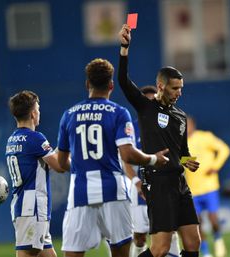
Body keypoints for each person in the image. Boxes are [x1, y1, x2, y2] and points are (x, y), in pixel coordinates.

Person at [57, 58, 170, 257]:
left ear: (87, 84)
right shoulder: (118, 112)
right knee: (120, 252)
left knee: (73, 253)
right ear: (111, 85)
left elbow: (60, 162)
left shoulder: (69, 115)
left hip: (80, 191)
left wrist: (82, 169)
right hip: (113, 190)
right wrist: (153, 159)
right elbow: (127, 153)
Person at [118, 24, 201, 257]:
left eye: (181, 88)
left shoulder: (180, 116)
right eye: (175, 88)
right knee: (160, 249)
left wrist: (188, 161)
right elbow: (123, 81)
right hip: (159, 182)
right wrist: (124, 48)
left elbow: (182, 150)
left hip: (180, 182)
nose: (179, 93)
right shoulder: (146, 107)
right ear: (160, 86)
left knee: (193, 242)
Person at [6, 90, 65, 257]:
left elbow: (45, 164)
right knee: (27, 254)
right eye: (38, 108)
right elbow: (59, 166)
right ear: (33, 113)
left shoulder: (12, 139)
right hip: (32, 207)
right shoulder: (35, 138)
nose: (39, 111)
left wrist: (62, 147)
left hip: (23, 205)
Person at [123, 86, 181, 257]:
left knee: (171, 232)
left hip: (165, 188)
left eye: (153, 101)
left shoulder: (168, 124)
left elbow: (179, 155)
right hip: (142, 190)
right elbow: (126, 159)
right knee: (140, 237)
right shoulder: (131, 128)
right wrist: (136, 183)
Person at [185, 116, 230, 257]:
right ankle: (205, 252)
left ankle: (218, 239)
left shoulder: (205, 137)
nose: (187, 127)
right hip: (192, 189)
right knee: (197, 223)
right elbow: (183, 162)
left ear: (194, 125)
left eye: (188, 124)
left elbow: (224, 149)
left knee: (213, 219)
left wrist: (215, 166)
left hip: (209, 186)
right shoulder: (181, 143)